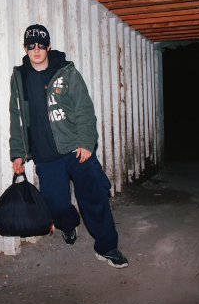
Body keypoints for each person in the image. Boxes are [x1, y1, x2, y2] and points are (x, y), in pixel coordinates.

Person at [9, 24, 128, 269]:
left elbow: (84, 109)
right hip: (45, 155)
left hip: (76, 149)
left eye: (41, 45)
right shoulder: (20, 78)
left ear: (48, 46)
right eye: (31, 45)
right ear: (25, 48)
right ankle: (68, 223)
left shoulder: (67, 71)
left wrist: (86, 142)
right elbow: (17, 117)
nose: (36, 50)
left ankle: (107, 247)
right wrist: (18, 153)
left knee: (94, 198)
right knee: (56, 204)